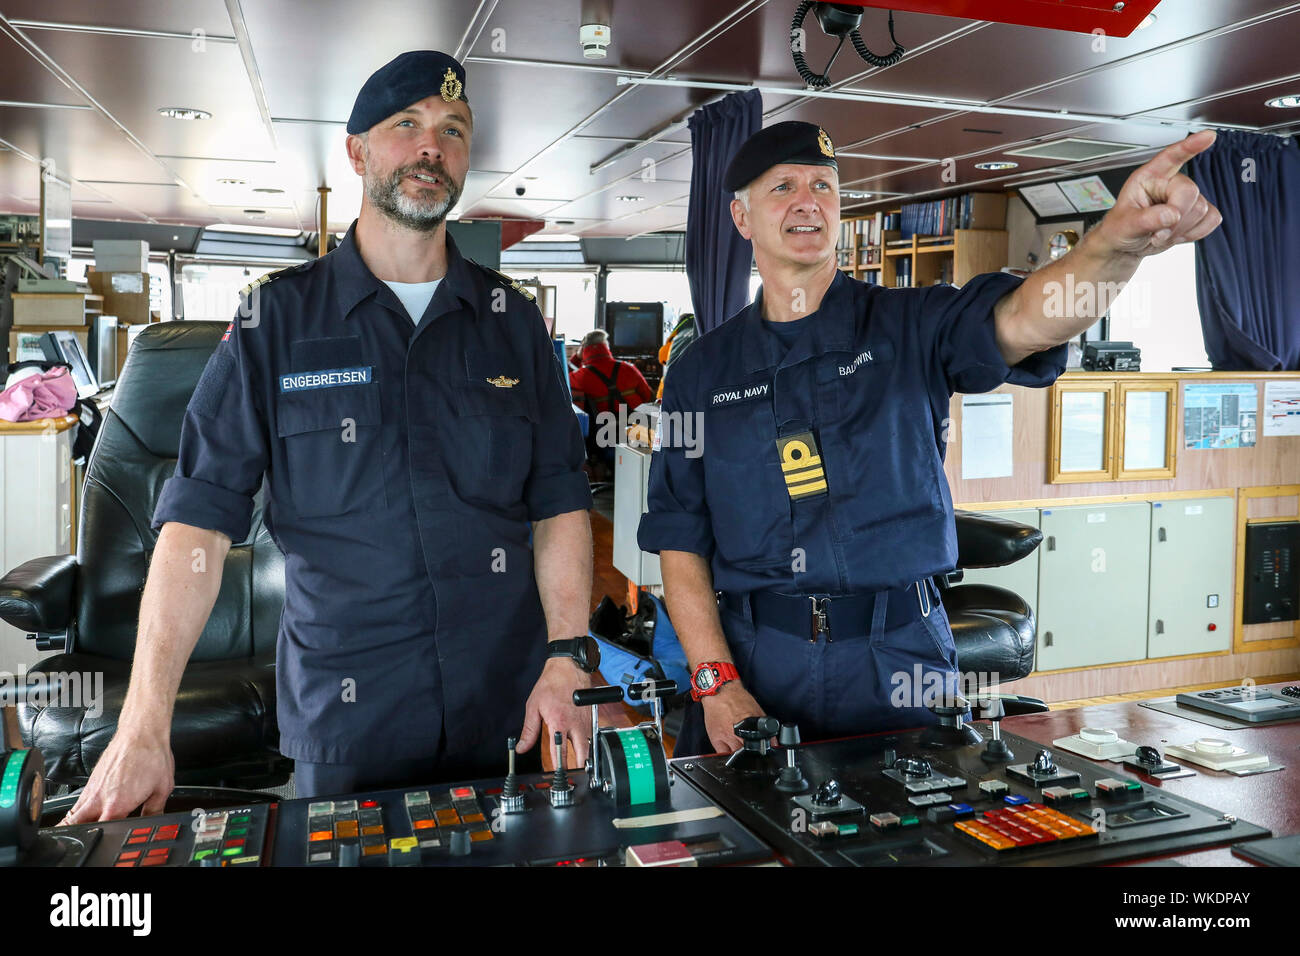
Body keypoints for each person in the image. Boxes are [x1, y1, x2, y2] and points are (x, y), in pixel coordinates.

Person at [62, 50, 598, 821]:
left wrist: (567, 656)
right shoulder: (272, 324)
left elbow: (558, 503)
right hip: (351, 721)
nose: (430, 148)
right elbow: (198, 523)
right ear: (356, 151)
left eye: (453, 129)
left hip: (506, 710)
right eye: (405, 125)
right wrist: (144, 723)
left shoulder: (513, 323)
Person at [638, 121, 1222, 756]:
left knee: (921, 837)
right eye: (783, 187)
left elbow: (1028, 317)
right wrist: (713, 681)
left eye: (823, 185)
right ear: (742, 217)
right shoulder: (701, 371)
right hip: (755, 658)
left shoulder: (909, 326)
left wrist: (1116, 243)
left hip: (900, 657)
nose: (808, 200)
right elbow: (680, 535)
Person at [569, 329, 653, 477]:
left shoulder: (579, 377)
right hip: (639, 435)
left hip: (604, 437)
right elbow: (649, 398)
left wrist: (576, 357)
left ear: (584, 350)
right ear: (606, 347)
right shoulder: (629, 369)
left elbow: (561, 374)